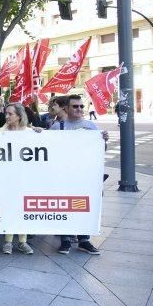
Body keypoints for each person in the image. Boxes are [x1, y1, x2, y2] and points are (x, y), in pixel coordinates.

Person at [49, 94, 107, 255]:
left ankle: (84, 240)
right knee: (64, 205)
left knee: (84, 205)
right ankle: (65, 240)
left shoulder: (91, 127)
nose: (79, 109)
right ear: (66, 108)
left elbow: (101, 151)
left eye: (81, 106)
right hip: (64, 175)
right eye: (75, 106)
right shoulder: (57, 127)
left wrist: (104, 141)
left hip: (85, 176)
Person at [0, 103, 38, 255]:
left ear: (19, 116)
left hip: (25, 177)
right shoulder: (1, 132)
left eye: (10, 114)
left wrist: (40, 133)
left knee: (23, 208)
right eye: (6, 113)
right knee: (9, 206)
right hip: (6, 178)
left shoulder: (29, 132)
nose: (7, 116)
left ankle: (22, 241)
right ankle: (8, 241)